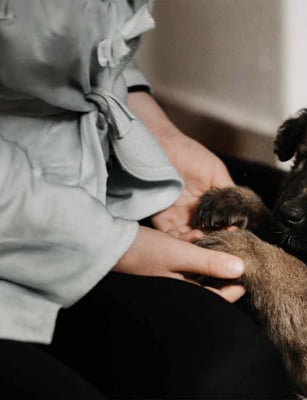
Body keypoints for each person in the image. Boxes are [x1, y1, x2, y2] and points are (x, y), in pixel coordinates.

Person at [0, 1, 290, 398]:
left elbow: (89, 37)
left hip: (83, 167)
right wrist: (112, 246)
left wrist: (157, 135)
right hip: (17, 207)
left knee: (236, 374)